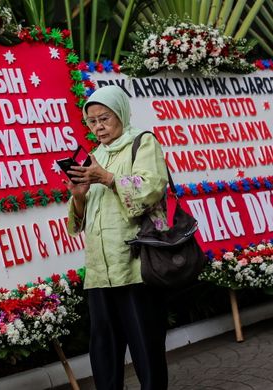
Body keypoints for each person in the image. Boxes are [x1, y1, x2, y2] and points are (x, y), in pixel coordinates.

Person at [66, 85, 169, 390]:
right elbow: (80, 221)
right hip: (100, 271)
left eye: (104, 119)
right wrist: (79, 197)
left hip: (135, 266)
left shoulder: (142, 142)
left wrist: (108, 178)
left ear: (121, 114)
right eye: (92, 121)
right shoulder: (95, 155)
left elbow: (151, 189)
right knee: (104, 351)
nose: (98, 127)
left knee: (145, 348)